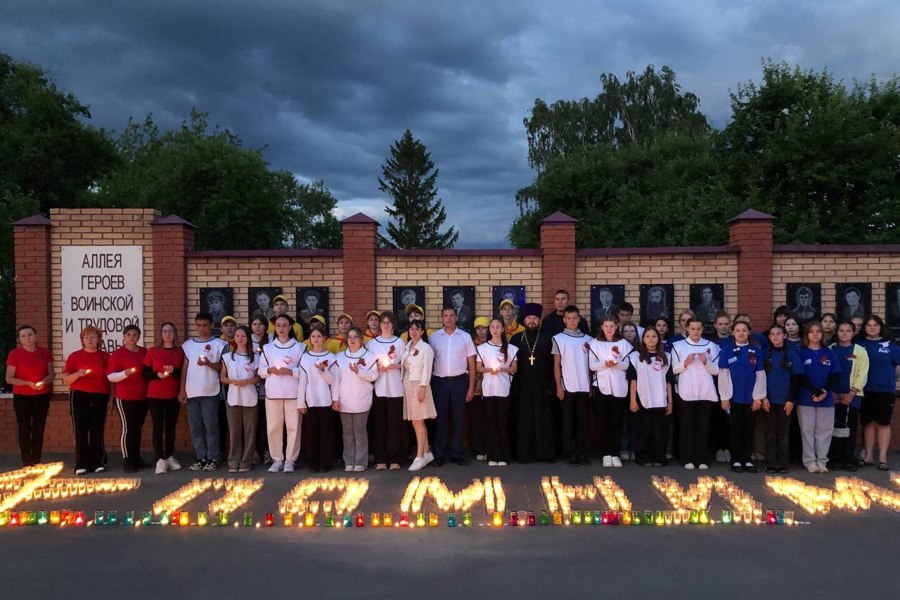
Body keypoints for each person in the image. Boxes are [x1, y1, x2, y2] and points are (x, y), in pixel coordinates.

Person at [179, 312, 228, 472]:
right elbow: (185, 368)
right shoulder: (188, 345)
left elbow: (223, 368)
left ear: (211, 325)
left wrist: (209, 364)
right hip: (192, 392)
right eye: (199, 325)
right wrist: (182, 390)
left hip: (210, 391)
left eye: (205, 325)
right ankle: (201, 457)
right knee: (196, 427)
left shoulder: (220, 344)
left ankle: (213, 457)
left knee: (211, 426)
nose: (202, 328)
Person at [430, 306, 477, 466]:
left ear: (456, 318)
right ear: (442, 318)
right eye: (445, 316)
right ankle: (440, 454)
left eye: (451, 315)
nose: (449, 318)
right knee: (440, 419)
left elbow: (472, 364)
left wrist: (471, 387)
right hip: (439, 383)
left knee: (459, 419)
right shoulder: (434, 337)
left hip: (459, 382)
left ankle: (457, 453)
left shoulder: (465, 337)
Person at [718, 320, 766, 473]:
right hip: (734, 398)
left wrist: (758, 397)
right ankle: (736, 459)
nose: (741, 333)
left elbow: (760, 375)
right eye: (737, 330)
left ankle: (747, 458)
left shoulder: (756, 350)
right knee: (735, 429)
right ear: (733, 332)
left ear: (749, 332)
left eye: (744, 330)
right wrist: (724, 397)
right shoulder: (727, 350)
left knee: (749, 429)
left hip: (751, 398)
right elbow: (723, 375)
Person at [671, 319, 720, 470]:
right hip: (686, 391)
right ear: (687, 329)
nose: (696, 331)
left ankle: (702, 458)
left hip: (705, 392)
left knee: (703, 427)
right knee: (686, 426)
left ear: (702, 329)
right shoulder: (678, 346)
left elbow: (717, 371)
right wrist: (685, 362)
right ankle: (687, 458)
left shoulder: (712, 346)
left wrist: (707, 362)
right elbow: (673, 369)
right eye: (692, 328)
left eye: (699, 328)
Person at [258, 314, 304, 473]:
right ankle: (277, 459)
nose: (281, 328)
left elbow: (304, 371)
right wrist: (269, 370)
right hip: (273, 393)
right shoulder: (268, 348)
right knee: (273, 427)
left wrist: (291, 371)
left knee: (294, 427)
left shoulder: (299, 347)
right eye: (278, 325)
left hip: (293, 393)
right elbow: (261, 371)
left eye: (285, 325)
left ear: (290, 327)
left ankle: (290, 459)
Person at [510, 303, 556, 463]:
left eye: (535, 318)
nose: (532, 321)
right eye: (529, 318)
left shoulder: (548, 338)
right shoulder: (517, 339)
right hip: (523, 387)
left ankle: (545, 453)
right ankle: (524, 454)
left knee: (543, 418)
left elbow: (553, 363)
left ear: (539, 320)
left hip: (543, 386)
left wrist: (552, 384)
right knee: (524, 420)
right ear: (524, 320)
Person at [62, 325, 111, 475]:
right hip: (79, 395)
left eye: (93, 337)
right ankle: (81, 463)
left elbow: (111, 380)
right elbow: (66, 379)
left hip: (100, 395)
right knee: (80, 429)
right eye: (86, 337)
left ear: (98, 339)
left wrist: (111, 398)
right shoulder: (74, 356)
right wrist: (78, 374)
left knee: (97, 428)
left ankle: (98, 462)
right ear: (82, 340)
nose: (90, 340)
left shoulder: (105, 357)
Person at [795, 321, 842, 473]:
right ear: (806, 334)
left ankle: (822, 461)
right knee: (807, 430)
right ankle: (810, 461)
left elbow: (835, 374)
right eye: (812, 331)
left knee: (825, 431)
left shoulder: (829, 353)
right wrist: (815, 391)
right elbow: (799, 375)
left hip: (826, 399)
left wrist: (823, 391)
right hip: (805, 398)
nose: (815, 334)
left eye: (818, 331)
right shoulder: (800, 352)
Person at [5, 325, 53, 467]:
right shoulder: (15, 354)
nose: (27, 338)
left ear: (36, 336)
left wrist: (43, 382)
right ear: (20, 339)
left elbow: (51, 374)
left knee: (39, 427)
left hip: (41, 396)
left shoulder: (44, 353)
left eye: (30, 334)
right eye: (23, 336)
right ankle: (27, 460)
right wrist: (27, 383)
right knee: (24, 427)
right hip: (22, 397)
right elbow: (9, 378)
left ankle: (37, 459)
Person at [857, 315, 900, 470]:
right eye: (868, 325)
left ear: (881, 327)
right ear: (864, 328)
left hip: (885, 390)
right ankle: (868, 456)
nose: (872, 327)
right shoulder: (859, 344)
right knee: (867, 424)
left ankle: (882, 458)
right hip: (864, 390)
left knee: (883, 424)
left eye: (875, 325)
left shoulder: (890, 346)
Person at [588, 317, 632, 468]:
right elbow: (592, 366)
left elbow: (628, 365)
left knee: (617, 421)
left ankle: (616, 453)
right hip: (602, 386)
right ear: (602, 327)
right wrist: (604, 364)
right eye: (606, 326)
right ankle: (606, 453)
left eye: (612, 326)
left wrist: (617, 364)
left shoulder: (624, 344)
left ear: (616, 327)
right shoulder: (595, 344)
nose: (609, 329)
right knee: (603, 421)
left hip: (619, 386)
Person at [365, 311, 407, 470]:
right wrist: (377, 367)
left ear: (393, 325)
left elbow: (406, 364)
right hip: (379, 388)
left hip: (396, 388)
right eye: (384, 322)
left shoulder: (400, 342)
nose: (386, 325)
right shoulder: (372, 344)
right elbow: (366, 364)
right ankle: (380, 458)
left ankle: (395, 458)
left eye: (389, 322)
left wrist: (393, 366)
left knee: (395, 425)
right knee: (380, 424)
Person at [333, 327, 378, 472]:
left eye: (355, 337)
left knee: (359, 431)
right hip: (344, 399)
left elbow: (373, 376)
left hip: (361, 398)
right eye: (350, 337)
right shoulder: (340, 357)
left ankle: (360, 461)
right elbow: (335, 380)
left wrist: (359, 371)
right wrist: (335, 399)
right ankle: (349, 461)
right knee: (347, 432)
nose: (352, 340)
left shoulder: (369, 356)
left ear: (361, 340)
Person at [627, 328, 673, 467]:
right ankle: (643, 457)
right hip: (643, 398)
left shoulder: (667, 356)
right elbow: (633, 379)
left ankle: (658, 457)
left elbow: (669, 380)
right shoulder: (636, 356)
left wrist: (670, 401)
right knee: (643, 429)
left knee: (659, 431)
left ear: (658, 339)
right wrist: (633, 399)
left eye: (654, 336)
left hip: (660, 398)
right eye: (647, 336)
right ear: (643, 339)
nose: (651, 339)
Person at [552, 305, 592, 466]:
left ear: (579, 319)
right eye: (569, 318)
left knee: (582, 421)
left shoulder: (588, 339)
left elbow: (590, 364)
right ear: (564, 320)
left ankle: (582, 453)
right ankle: (570, 453)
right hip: (567, 386)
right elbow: (556, 365)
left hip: (584, 385)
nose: (572, 321)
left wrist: (590, 386)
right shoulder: (558, 338)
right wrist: (558, 387)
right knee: (568, 422)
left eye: (575, 318)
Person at [107, 325, 149, 473]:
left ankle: (136, 457)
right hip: (125, 397)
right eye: (129, 334)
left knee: (137, 428)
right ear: (124, 336)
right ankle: (127, 460)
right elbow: (111, 376)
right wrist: (124, 374)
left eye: (135, 334)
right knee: (128, 428)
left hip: (142, 396)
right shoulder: (118, 354)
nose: (132, 337)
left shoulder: (144, 352)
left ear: (139, 336)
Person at [476, 318, 518, 466]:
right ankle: (492, 455)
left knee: (502, 422)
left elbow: (514, 367)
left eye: (498, 326)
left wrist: (502, 369)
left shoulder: (510, 348)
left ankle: (503, 455)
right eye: (492, 326)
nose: (494, 329)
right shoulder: (482, 348)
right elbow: (478, 368)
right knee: (491, 422)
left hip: (503, 388)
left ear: (502, 329)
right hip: (488, 389)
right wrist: (489, 370)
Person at [144, 322, 185, 475]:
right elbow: (145, 372)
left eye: (170, 331)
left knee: (170, 428)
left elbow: (182, 373)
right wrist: (157, 375)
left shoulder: (180, 352)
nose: (167, 334)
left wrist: (174, 371)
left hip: (173, 395)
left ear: (175, 334)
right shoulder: (153, 351)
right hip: (155, 396)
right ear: (161, 334)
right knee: (158, 428)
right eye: (164, 331)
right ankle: (159, 460)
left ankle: (169, 456)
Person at [828, 321, 869, 472]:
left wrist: (851, 393)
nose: (844, 333)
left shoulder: (860, 351)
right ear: (836, 332)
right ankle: (835, 459)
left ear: (853, 333)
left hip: (852, 396)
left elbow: (862, 374)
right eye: (841, 330)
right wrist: (831, 392)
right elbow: (826, 372)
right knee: (833, 428)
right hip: (833, 396)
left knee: (849, 428)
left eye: (848, 331)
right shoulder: (831, 349)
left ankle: (849, 458)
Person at [762, 325, 802, 474]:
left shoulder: (792, 354)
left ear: (785, 336)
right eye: (772, 334)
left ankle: (783, 462)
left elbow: (796, 378)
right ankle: (771, 463)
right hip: (768, 400)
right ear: (769, 337)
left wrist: (791, 400)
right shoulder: (764, 354)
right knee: (770, 432)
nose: (776, 337)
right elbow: (759, 377)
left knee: (783, 432)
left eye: (779, 334)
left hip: (786, 400)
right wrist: (763, 397)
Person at [220, 326, 260, 473]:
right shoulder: (228, 357)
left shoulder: (255, 357)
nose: (240, 338)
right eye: (237, 336)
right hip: (233, 398)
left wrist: (248, 382)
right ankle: (233, 460)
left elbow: (258, 377)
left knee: (250, 431)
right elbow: (222, 377)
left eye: (243, 336)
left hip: (250, 397)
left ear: (247, 338)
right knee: (234, 431)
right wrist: (232, 381)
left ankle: (246, 461)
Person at [297, 328, 337, 473]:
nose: (316, 339)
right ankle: (313, 462)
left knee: (326, 432)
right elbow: (302, 380)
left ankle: (326, 463)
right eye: (313, 336)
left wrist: (323, 370)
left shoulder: (332, 357)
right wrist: (301, 402)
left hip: (325, 400)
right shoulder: (305, 358)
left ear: (324, 338)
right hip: (311, 400)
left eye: (319, 336)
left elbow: (333, 381)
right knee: (311, 433)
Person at [403, 319, 437, 471]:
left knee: (418, 422)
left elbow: (427, 369)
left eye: (417, 329)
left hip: (419, 385)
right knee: (417, 422)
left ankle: (420, 457)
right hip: (408, 385)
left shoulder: (426, 348)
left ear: (422, 331)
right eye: (411, 329)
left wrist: (423, 387)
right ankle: (427, 452)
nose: (414, 331)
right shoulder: (408, 346)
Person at [250, 316, 271, 465]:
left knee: (267, 423)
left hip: (268, 387)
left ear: (265, 326)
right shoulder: (247, 340)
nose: (257, 327)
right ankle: (255, 451)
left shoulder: (271, 340)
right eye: (254, 324)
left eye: (260, 324)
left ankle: (268, 451)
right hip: (251, 388)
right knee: (254, 424)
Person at [469, 317, 490, 461]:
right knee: (476, 420)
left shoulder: (492, 344)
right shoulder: (471, 345)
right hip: (476, 388)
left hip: (490, 387)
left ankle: (489, 448)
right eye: (478, 328)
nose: (481, 331)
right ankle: (478, 449)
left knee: (489, 419)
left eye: (484, 328)